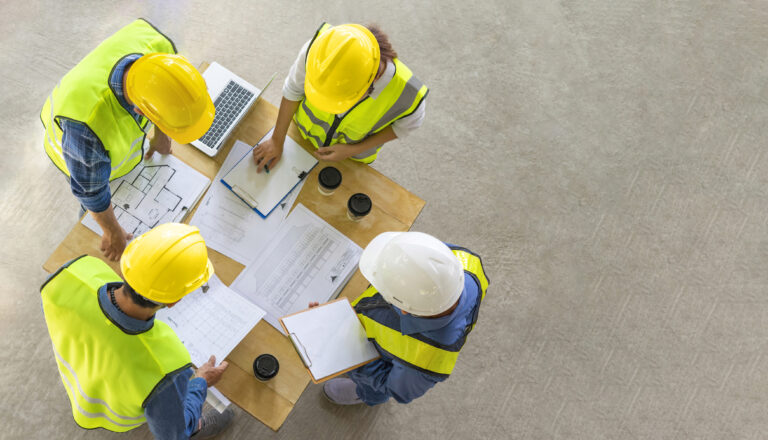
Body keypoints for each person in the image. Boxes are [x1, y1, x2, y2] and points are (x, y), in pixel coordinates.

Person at [40, 19, 215, 261]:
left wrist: (160, 135)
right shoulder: (87, 128)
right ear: (141, 112)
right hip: (76, 152)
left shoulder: (159, 49)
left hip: (101, 137)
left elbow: (164, 92)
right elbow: (91, 191)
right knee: (92, 228)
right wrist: (112, 231)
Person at [40, 223, 233, 439]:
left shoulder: (76, 272)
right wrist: (201, 382)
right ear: (173, 302)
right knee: (183, 425)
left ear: (126, 265)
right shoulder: (165, 368)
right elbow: (173, 435)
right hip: (116, 412)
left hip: (78, 373)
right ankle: (197, 426)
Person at [321, 231, 489, 405]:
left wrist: (353, 360)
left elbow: (393, 388)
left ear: (404, 310)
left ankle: (364, 394)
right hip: (372, 324)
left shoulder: (426, 358)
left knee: (373, 389)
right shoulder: (466, 263)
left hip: (372, 361)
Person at [252, 22, 428, 171]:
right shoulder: (318, 50)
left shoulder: (409, 95)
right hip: (300, 134)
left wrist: (352, 150)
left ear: (372, 80)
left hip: (351, 160)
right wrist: (276, 140)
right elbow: (293, 90)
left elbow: (404, 128)